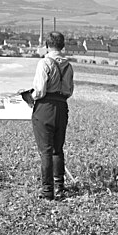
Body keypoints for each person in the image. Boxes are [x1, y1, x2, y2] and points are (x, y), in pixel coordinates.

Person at [28, 31, 74, 200]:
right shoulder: (68, 66)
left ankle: (47, 190)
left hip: (45, 108)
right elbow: (69, 91)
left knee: (45, 151)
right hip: (62, 107)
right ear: (63, 46)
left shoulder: (44, 63)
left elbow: (40, 90)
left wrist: (29, 96)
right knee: (58, 149)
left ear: (47, 46)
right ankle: (59, 187)